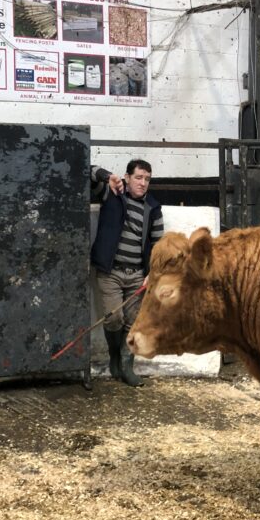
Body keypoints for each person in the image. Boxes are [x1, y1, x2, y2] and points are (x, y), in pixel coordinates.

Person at [90, 159, 163, 386]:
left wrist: (153, 272)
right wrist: (106, 175)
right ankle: (114, 356)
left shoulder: (153, 208)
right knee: (114, 318)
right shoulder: (111, 193)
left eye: (147, 179)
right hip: (110, 271)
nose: (143, 183)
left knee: (133, 323)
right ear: (127, 177)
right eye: (138, 178)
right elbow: (86, 171)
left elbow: (159, 245)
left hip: (137, 275)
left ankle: (126, 366)